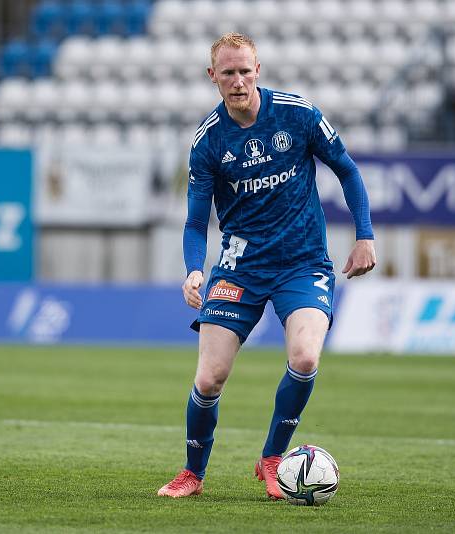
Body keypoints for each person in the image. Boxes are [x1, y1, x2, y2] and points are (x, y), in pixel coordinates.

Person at [157, 32, 376, 500]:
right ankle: (193, 474)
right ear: (212, 77)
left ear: (259, 71)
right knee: (209, 377)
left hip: (302, 263)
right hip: (239, 268)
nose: (238, 81)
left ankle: (273, 458)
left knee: (305, 357)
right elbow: (196, 222)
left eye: (245, 71)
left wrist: (365, 235)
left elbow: (348, 170)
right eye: (228, 73)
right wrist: (194, 269)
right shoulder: (208, 142)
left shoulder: (297, 114)